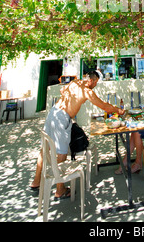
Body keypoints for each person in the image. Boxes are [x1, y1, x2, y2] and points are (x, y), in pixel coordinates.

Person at [30, 70, 125, 198]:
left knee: (45, 148)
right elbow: (104, 106)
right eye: (96, 82)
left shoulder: (74, 83)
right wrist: (119, 110)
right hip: (62, 118)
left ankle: (36, 182)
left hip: (54, 112)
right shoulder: (87, 91)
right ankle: (60, 189)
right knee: (62, 152)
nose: (96, 85)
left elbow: (62, 91)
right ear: (91, 80)